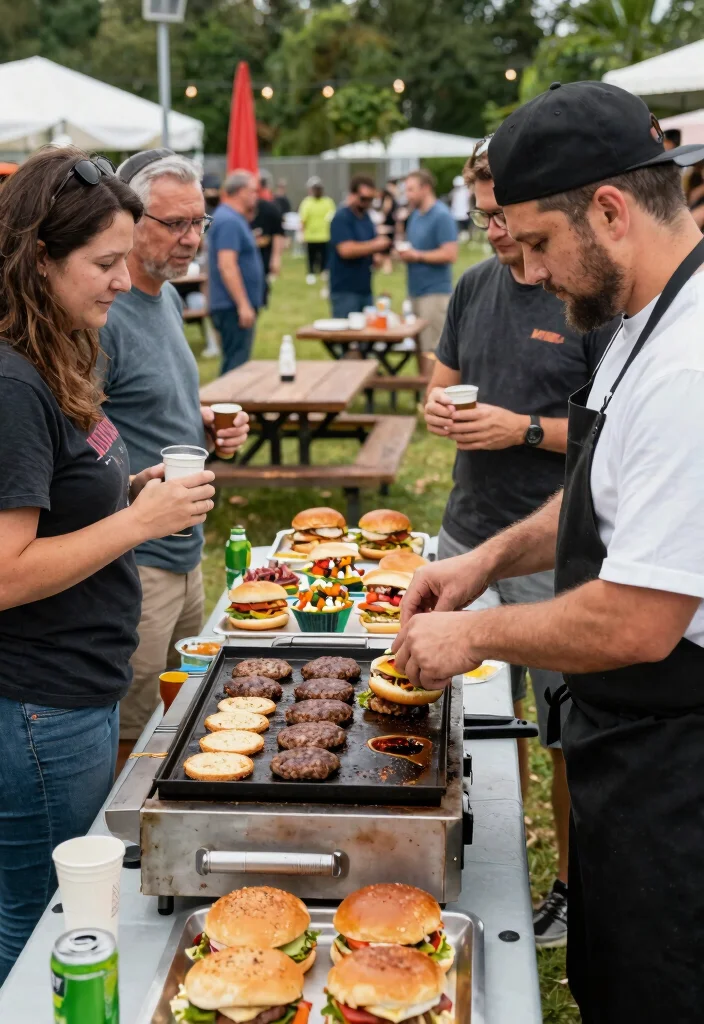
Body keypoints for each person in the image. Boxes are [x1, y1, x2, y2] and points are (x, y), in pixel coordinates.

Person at [394, 81, 704, 1020]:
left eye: (536, 242)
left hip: (681, 764)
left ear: (608, 211)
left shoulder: (691, 365)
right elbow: (597, 490)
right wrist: (484, 561)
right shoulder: (639, 328)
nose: (530, 268)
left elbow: (642, 619)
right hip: (633, 749)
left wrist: (478, 639)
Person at [0, 146, 216, 981]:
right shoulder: (15, 385)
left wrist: (129, 489)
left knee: (61, 904)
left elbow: (56, 495)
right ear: (38, 260)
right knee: (40, 912)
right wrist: (137, 525)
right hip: (42, 708)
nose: (123, 282)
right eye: (102, 264)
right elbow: (8, 572)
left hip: (74, 693)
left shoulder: (56, 356)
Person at [424, 137, 612, 947]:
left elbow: (607, 438)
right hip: (465, 531)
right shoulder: (473, 286)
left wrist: (524, 429)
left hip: (553, 551)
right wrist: (441, 411)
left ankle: (572, 888)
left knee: (563, 726)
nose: (497, 233)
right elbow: (443, 378)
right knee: (456, 712)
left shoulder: (586, 299)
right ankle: (472, 856)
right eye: (483, 214)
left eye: (506, 216)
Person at [99, 149, 249, 754]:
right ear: (130, 220)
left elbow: (149, 397)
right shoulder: (103, 316)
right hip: (138, 559)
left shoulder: (167, 296)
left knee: (183, 712)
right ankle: (112, 846)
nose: (192, 239)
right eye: (175, 224)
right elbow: (78, 445)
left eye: (200, 222)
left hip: (187, 551)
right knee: (132, 730)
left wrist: (203, 420)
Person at [398, 169, 458, 371]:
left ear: (426, 188)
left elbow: (450, 254)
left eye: (411, 189)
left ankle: (432, 397)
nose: (407, 194)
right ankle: (422, 395)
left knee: (432, 349)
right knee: (418, 346)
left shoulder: (441, 216)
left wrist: (417, 256)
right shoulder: (415, 215)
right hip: (414, 291)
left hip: (434, 293)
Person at [207, 169, 264, 374]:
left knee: (237, 361)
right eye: (253, 191)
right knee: (235, 367)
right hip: (231, 306)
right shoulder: (229, 220)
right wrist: (243, 305)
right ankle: (226, 405)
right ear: (239, 192)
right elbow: (227, 265)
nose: (256, 196)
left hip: (232, 305)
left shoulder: (233, 218)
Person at [329, 175, 391, 318]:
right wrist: (376, 245)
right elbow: (345, 250)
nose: (367, 203)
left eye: (371, 199)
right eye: (363, 199)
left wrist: (376, 257)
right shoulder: (341, 218)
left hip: (365, 288)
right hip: (345, 289)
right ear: (352, 195)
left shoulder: (367, 218)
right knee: (345, 335)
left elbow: (369, 246)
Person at [251, 179, 285, 306]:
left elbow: (278, 233)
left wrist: (276, 258)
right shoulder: (234, 212)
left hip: (263, 259)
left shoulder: (269, 209)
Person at [298, 177, 336, 285]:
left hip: (325, 235)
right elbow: (303, 220)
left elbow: (332, 218)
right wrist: (302, 234)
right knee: (311, 257)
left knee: (325, 256)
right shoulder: (307, 203)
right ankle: (311, 274)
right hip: (311, 236)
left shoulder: (328, 202)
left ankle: (324, 272)